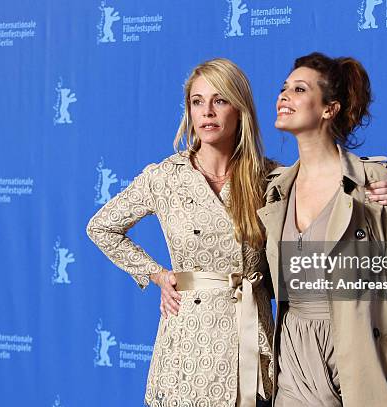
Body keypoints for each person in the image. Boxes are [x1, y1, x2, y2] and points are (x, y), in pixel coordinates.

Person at [87, 58, 275, 407]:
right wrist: (157, 275)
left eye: (220, 100)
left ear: (240, 108)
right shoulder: (165, 178)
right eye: (197, 101)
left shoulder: (269, 177)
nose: (207, 112)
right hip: (190, 339)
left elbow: (332, 185)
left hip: (250, 334)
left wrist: (382, 184)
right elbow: (102, 226)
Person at [257, 52, 387, 406]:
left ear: (329, 109)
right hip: (293, 356)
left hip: (360, 351)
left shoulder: (375, 181)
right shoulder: (274, 187)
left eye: (299, 89)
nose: (283, 96)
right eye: (284, 88)